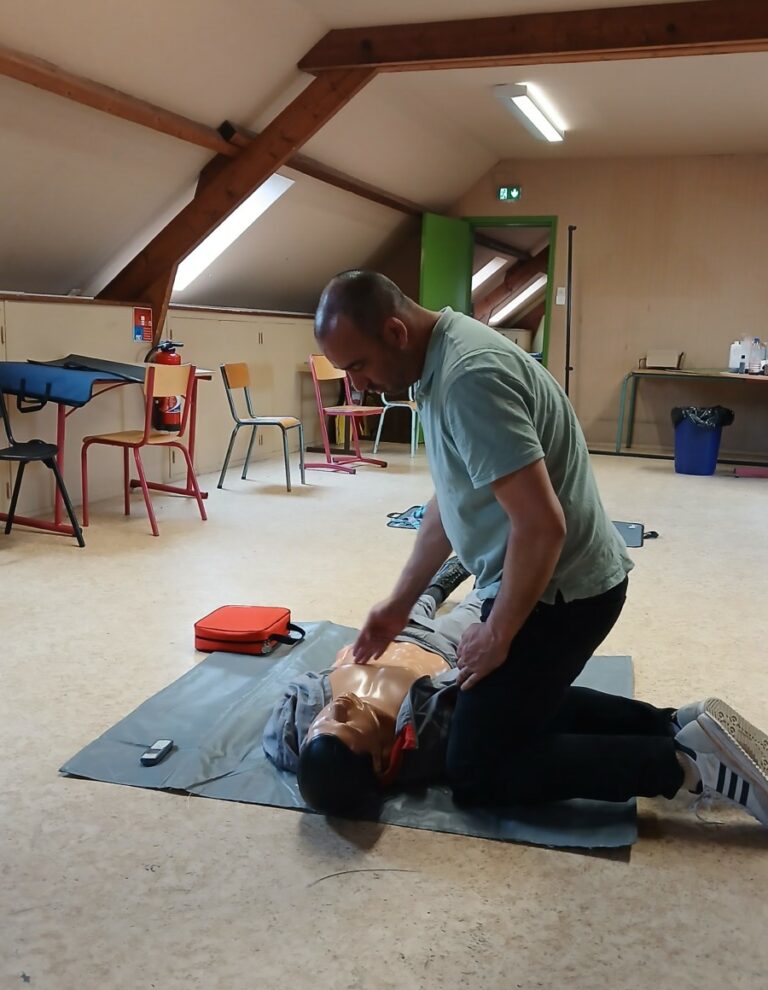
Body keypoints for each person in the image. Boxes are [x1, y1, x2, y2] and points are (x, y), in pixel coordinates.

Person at [308, 270, 768, 826]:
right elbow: (450, 501)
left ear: (395, 332)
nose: (356, 386)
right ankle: (675, 726)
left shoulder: (467, 378)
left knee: (476, 768)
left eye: (358, 365)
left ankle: (688, 767)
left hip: (563, 593)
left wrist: (498, 632)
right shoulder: (437, 363)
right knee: (497, 712)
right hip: (549, 580)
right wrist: (399, 604)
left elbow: (542, 527)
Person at [263, 557, 480, 813]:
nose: (337, 707)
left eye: (321, 723)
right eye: (346, 723)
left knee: (414, 602)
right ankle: (485, 581)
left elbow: (298, 692)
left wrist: (338, 667)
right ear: (378, 761)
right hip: (441, 645)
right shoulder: (426, 742)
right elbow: (467, 688)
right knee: (479, 606)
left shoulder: (292, 733)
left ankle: (438, 586)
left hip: (381, 640)